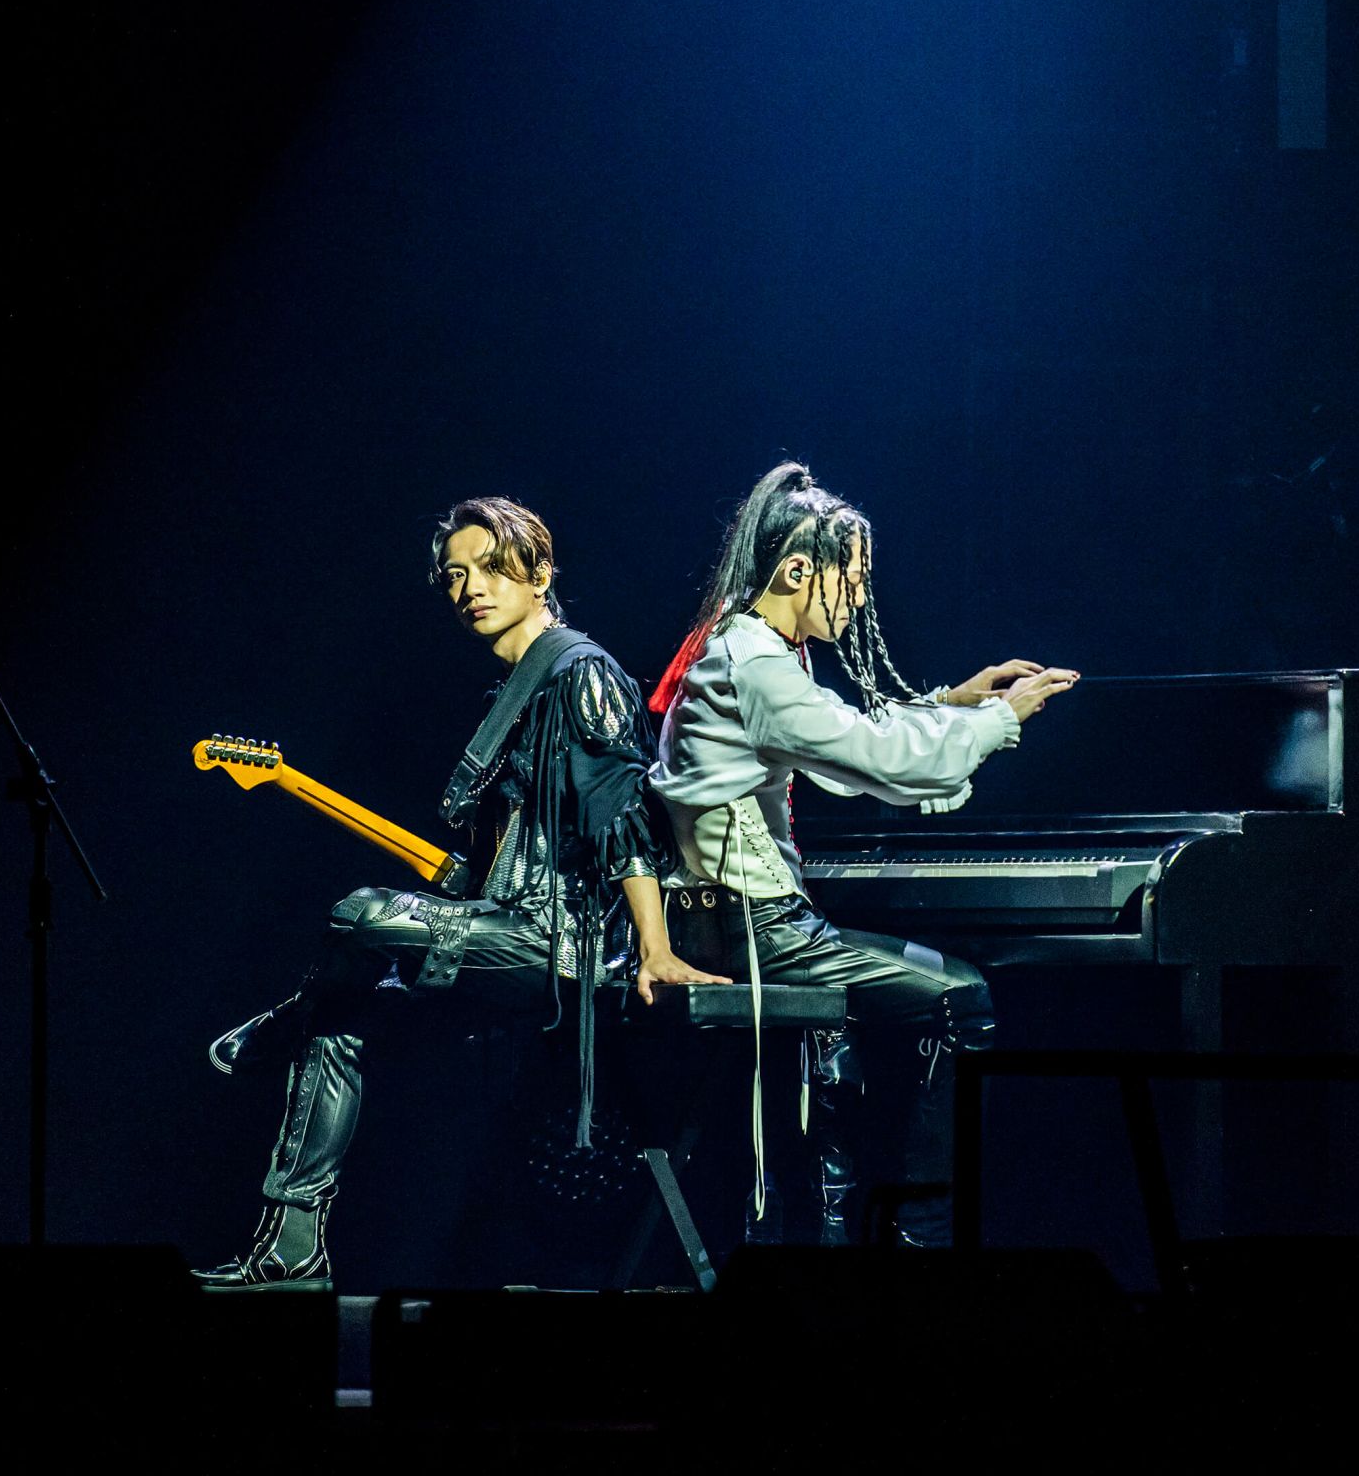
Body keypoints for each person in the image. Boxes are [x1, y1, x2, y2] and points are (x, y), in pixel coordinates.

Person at [193, 496, 729, 1291]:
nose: (469, 587)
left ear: (540, 573)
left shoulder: (580, 673)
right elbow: (494, 864)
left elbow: (621, 818)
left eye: (490, 567)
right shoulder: (512, 695)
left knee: (359, 912)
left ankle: (280, 1024)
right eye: (453, 574)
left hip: (560, 944)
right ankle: (291, 1247)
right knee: (338, 1018)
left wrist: (653, 947)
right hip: (498, 930)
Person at [647, 462, 1076, 1245]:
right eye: (853, 578)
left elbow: (844, 738)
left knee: (899, 1002)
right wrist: (1000, 720)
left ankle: (852, 1212)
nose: (860, 597)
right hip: (755, 932)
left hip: (736, 923)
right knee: (961, 998)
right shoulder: (758, 667)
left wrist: (952, 703)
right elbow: (880, 761)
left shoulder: (746, 648)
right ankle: (920, 1235)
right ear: (797, 571)